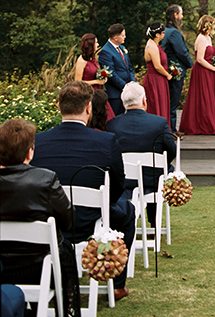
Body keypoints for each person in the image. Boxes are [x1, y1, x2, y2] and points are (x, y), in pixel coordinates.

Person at [31, 81, 135, 302]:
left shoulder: (38, 142)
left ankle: (59, 282)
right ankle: (117, 284)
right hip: (89, 222)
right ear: (89, 107)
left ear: (58, 106)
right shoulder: (107, 141)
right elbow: (118, 185)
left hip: (51, 224)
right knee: (128, 211)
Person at [0, 118, 78, 317]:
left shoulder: (44, 179)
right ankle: (67, 304)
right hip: (40, 268)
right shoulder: (45, 179)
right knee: (64, 247)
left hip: (3, 266)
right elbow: (68, 221)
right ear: (29, 152)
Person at [107, 82, 176, 224]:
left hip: (124, 180)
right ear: (144, 100)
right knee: (165, 170)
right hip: (152, 178)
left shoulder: (112, 124)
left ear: (123, 102)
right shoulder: (159, 123)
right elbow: (171, 150)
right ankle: (154, 222)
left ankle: (123, 218)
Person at [179, 15, 215, 136]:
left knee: (209, 96)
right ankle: (200, 124)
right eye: (213, 24)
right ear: (208, 25)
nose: (214, 26)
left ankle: (209, 122)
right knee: (201, 97)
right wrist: (213, 68)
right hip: (202, 71)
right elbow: (199, 59)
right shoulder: (201, 39)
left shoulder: (208, 38)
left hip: (209, 72)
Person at [162, 4, 193, 135]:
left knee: (169, 101)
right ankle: (171, 130)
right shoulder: (174, 32)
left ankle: (170, 128)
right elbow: (182, 52)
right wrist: (190, 63)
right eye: (181, 14)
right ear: (175, 15)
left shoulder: (165, 30)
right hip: (175, 70)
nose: (182, 16)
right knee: (173, 102)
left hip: (168, 69)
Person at [74, 33, 115, 122]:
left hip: (98, 91)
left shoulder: (93, 58)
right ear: (90, 45)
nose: (98, 45)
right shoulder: (81, 60)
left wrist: (103, 76)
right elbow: (77, 82)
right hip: (88, 92)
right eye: (96, 43)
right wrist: (96, 81)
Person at [99, 24, 136, 117]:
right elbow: (111, 73)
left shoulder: (122, 48)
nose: (125, 37)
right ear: (115, 38)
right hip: (115, 93)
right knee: (115, 118)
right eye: (123, 35)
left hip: (127, 90)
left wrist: (132, 82)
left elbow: (129, 68)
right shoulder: (105, 51)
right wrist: (125, 86)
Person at [143, 22, 172, 129]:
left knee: (162, 104)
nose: (164, 35)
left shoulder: (155, 44)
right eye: (163, 33)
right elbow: (157, 66)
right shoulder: (151, 46)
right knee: (156, 104)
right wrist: (168, 75)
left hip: (159, 79)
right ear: (157, 35)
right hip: (155, 79)